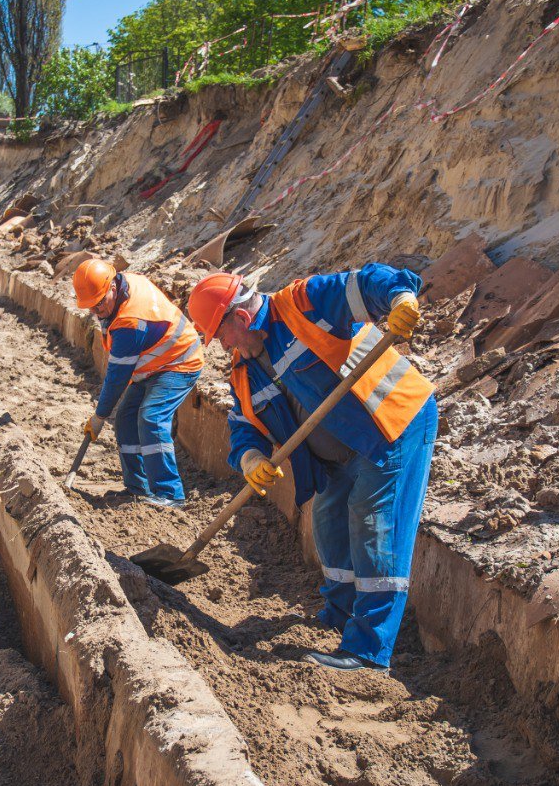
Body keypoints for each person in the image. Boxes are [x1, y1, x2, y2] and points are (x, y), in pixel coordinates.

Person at [187, 265, 436, 670]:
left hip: (392, 424)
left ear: (242, 318)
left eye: (220, 335)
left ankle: (368, 650)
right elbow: (244, 425)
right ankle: (340, 615)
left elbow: (365, 283)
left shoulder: (301, 304)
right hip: (339, 453)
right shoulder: (244, 369)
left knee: (373, 521)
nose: (220, 345)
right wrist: (250, 458)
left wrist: (400, 298)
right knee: (327, 522)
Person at [73, 258, 204, 507]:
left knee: (151, 417)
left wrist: (99, 417)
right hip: (153, 364)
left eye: (99, 303)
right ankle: (137, 488)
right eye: (90, 307)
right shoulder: (125, 284)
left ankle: (169, 494)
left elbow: (116, 378)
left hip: (179, 362)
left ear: (112, 287)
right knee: (125, 417)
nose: (96, 311)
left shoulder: (129, 323)